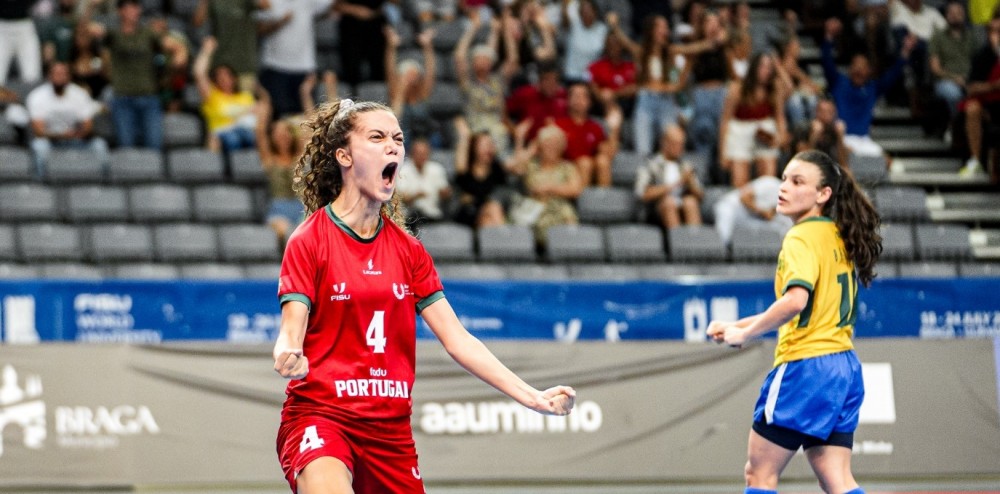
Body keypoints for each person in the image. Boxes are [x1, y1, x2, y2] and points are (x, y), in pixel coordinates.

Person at [272, 98, 575, 493]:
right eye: (377, 137)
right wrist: (287, 350)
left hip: (390, 434)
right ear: (344, 156)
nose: (393, 146)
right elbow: (292, 326)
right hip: (322, 417)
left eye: (397, 138)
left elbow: (459, 340)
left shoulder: (408, 250)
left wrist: (532, 397)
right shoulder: (310, 239)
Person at [707, 149, 882, 494]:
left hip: (805, 369)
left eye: (797, 181)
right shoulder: (836, 235)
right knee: (837, 478)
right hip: (844, 369)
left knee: (759, 475)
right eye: (784, 178)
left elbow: (795, 301)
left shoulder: (800, 237)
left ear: (823, 194)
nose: (783, 187)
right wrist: (736, 325)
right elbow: (802, 309)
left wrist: (746, 332)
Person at [821, 17, 916, 158]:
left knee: (887, 161)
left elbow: (892, 75)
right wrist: (828, 37)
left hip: (864, 139)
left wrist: (905, 52)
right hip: (843, 138)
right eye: (856, 66)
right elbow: (827, 62)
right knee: (848, 155)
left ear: (869, 71)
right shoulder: (839, 82)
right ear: (850, 69)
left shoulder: (872, 88)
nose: (859, 70)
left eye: (862, 67)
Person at [100, 0, 187, 149]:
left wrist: (179, 57)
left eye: (137, 7)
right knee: (126, 147)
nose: (136, 11)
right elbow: (88, 31)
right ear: (121, 11)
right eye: (131, 7)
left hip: (149, 96)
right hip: (123, 97)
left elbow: (175, 46)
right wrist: (90, 7)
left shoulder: (148, 33)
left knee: (154, 145)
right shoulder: (113, 34)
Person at [27, 61, 108, 179]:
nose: (60, 77)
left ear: (69, 77)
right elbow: (39, 131)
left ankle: (102, 185)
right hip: (51, 141)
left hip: (76, 138)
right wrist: (61, 135)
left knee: (100, 146)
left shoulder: (80, 94)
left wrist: (77, 134)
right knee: (39, 147)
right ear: (49, 76)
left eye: (63, 74)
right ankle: (42, 185)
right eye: (56, 73)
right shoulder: (37, 96)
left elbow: (88, 125)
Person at [719, 53, 788, 187]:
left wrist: (782, 136)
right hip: (739, 131)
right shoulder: (737, 88)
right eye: (763, 66)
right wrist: (723, 152)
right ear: (754, 67)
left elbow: (780, 116)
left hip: (764, 131)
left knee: (768, 180)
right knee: (739, 182)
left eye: (769, 67)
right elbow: (725, 120)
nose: (766, 71)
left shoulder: (775, 88)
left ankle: (766, 207)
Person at [254, 90, 303, 248]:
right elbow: (260, 131)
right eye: (278, 132)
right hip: (279, 209)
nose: (282, 136)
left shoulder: (299, 157)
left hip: (301, 207)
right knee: (288, 232)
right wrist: (266, 105)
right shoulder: (269, 159)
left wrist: (304, 94)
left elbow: (307, 127)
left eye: (285, 131)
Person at [194, 37, 257, 153]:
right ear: (215, 80)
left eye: (227, 75)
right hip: (223, 133)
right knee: (233, 139)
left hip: (248, 131)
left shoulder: (246, 96)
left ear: (234, 78)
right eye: (219, 77)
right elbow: (199, 74)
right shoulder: (212, 96)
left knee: (251, 136)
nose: (224, 79)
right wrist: (207, 51)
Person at [634, 125, 703, 230]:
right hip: (657, 210)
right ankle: (677, 243)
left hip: (682, 204)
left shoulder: (686, 166)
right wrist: (677, 183)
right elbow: (642, 193)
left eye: (682, 144)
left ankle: (695, 241)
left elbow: (700, 195)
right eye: (676, 144)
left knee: (691, 202)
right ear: (664, 143)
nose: (680, 148)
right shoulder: (650, 164)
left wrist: (690, 183)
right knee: (668, 202)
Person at [554, 82, 620, 186]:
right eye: (575, 96)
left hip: (588, 168)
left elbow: (608, 153)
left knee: (602, 162)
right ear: (568, 100)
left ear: (589, 102)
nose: (579, 100)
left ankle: (604, 199)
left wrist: (614, 130)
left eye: (583, 96)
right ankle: (581, 200)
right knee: (585, 163)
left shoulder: (595, 127)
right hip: (565, 168)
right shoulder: (558, 125)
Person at [385, 27, 439, 148]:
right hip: (403, 140)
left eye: (414, 74)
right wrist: (391, 46)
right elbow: (389, 69)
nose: (411, 78)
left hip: (426, 137)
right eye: (407, 74)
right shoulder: (396, 93)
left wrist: (427, 46)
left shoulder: (423, 93)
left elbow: (431, 71)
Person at [713, 175, 793, 248]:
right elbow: (744, 197)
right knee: (725, 221)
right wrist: (762, 212)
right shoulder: (771, 184)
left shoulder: (791, 209)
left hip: (751, 219)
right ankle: (723, 249)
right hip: (734, 208)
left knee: (777, 230)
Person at [395, 136, 452, 226]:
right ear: (411, 154)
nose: (422, 156)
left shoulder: (437, 169)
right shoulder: (402, 170)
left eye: (425, 153)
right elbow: (401, 198)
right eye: (419, 153)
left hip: (433, 215)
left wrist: (445, 193)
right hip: (410, 217)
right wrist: (416, 195)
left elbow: (445, 193)